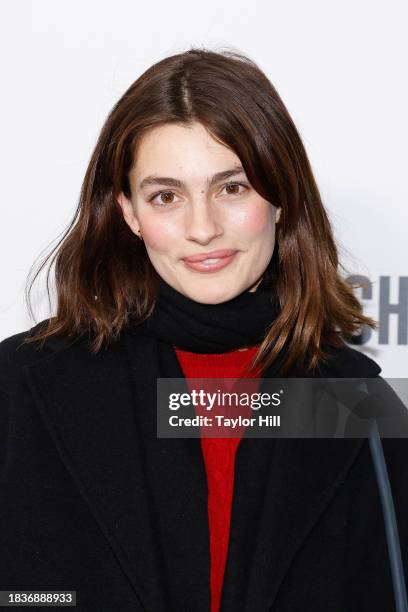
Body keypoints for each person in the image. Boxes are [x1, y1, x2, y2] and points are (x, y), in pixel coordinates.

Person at [0, 47, 407, 612]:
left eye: (232, 188)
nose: (203, 228)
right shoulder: (22, 385)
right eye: (166, 195)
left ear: (280, 196)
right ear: (128, 212)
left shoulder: (354, 405)